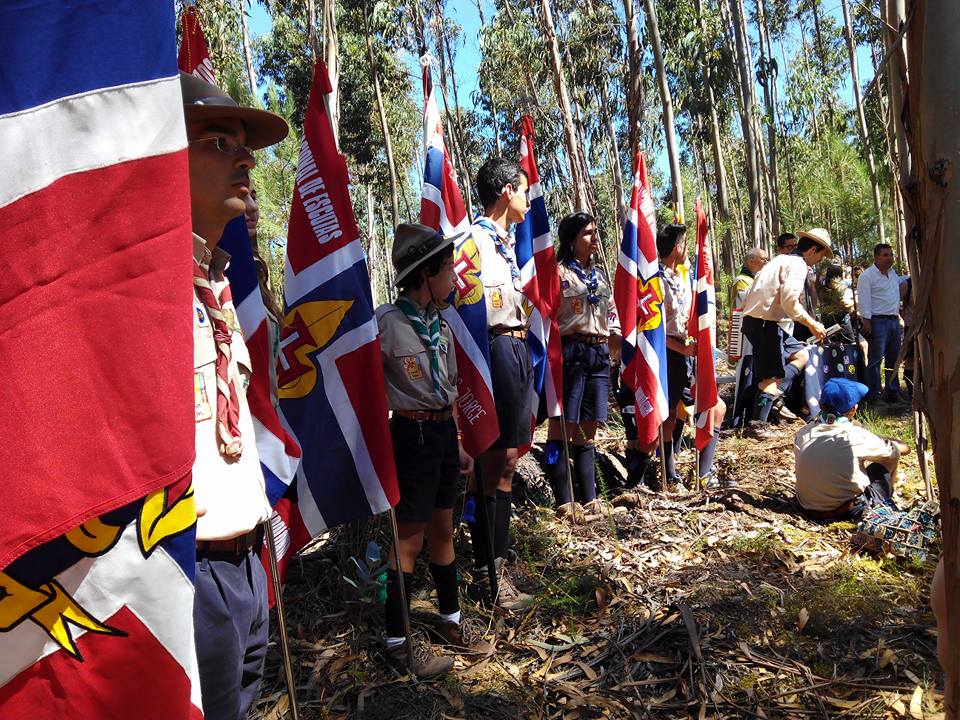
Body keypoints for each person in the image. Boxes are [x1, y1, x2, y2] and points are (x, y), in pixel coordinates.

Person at [181, 71, 289, 720]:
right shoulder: (134, 297)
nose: (247, 158)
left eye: (244, 144)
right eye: (219, 141)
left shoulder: (220, 283)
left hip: (248, 563)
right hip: (185, 567)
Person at [376, 223, 491, 679]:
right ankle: (396, 641)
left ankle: (450, 620)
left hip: (442, 434)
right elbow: (364, 383)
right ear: (424, 274)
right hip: (412, 437)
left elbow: (449, 387)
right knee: (409, 538)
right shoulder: (388, 324)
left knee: (443, 529)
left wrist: (459, 441)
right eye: (447, 270)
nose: (455, 279)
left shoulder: (440, 324)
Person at [464, 157, 535, 611]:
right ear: (507, 190)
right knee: (492, 458)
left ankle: (498, 559)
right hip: (491, 348)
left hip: (517, 345)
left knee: (507, 458)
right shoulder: (472, 241)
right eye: (525, 189)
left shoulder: (506, 243)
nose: (528, 200)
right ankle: (488, 568)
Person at [545, 213, 621, 513]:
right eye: (587, 234)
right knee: (562, 427)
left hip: (598, 353)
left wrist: (614, 342)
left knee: (589, 430)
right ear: (571, 240)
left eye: (595, 232)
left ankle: (590, 499)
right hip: (570, 352)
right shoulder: (558, 273)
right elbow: (545, 313)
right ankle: (564, 499)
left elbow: (611, 311)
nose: (594, 239)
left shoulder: (600, 276)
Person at [740, 228, 832, 432]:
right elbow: (790, 302)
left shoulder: (780, 260)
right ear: (813, 250)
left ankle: (774, 396)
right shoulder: (798, 265)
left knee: (802, 355)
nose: (819, 260)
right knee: (770, 378)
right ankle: (758, 426)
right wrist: (813, 324)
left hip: (764, 322)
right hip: (763, 322)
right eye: (821, 255)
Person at [794, 378, 908, 520]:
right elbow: (902, 449)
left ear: (820, 404)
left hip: (807, 508)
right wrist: (893, 442)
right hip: (847, 511)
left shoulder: (804, 432)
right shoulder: (855, 435)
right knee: (890, 457)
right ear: (853, 410)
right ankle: (885, 503)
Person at [857, 243, 906, 403]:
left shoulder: (893, 274)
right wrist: (867, 323)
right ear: (876, 257)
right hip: (877, 321)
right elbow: (864, 301)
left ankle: (892, 392)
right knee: (876, 359)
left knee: (893, 358)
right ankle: (875, 394)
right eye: (885, 255)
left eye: (891, 255)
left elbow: (896, 294)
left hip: (893, 321)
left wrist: (899, 318)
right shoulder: (867, 276)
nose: (889, 258)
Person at [817, 261, 856, 342]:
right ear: (840, 274)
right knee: (849, 343)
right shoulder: (840, 285)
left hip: (826, 318)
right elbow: (846, 303)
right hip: (841, 319)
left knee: (832, 344)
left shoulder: (822, 286)